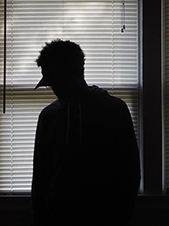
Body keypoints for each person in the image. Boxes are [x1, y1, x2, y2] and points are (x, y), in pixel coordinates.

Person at [31, 39, 140, 226]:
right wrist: (42, 217)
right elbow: (41, 174)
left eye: (56, 80)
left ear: (76, 72)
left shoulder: (114, 110)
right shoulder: (48, 117)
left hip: (106, 216)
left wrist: (120, 215)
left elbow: (129, 170)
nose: (53, 88)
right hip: (59, 218)